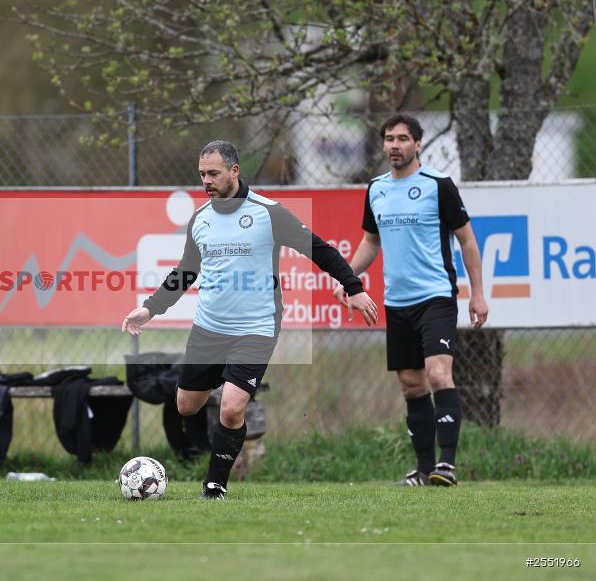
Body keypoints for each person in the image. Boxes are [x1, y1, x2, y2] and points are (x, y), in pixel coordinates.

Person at [122, 140, 378, 500]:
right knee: (186, 405)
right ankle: (220, 415)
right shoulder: (201, 219)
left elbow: (320, 249)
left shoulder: (269, 213)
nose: (206, 181)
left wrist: (353, 287)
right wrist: (150, 308)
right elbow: (185, 272)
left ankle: (215, 485)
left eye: (213, 173)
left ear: (235, 171)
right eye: (202, 175)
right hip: (209, 327)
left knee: (231, 406)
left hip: (256, 327)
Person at [334, 114, 488, 487]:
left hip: (436, 296)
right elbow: (371, 242)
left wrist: (477, 293)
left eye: (403, 138)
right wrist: (346, 278)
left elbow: (467, 239)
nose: (395, 145)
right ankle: (423, 470)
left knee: (438, 373)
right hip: (396, 302)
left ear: (417, 145)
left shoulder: (439, 185)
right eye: (389, 139)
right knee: (410, 383)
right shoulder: (376, 189)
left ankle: (447, 465)